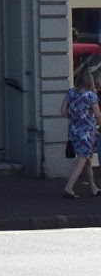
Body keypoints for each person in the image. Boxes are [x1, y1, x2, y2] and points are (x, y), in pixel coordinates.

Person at [61, 66, 100, 198]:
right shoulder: (91, 96)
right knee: (82, 159)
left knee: (88, 160)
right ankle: (69, 187)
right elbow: (98, 115)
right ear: (90, 80)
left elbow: (62, 110)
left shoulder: (71, 92)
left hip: (74, 130)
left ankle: (93, 188)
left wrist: (74, 118)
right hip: (87, 133)